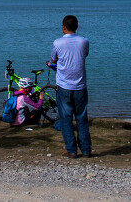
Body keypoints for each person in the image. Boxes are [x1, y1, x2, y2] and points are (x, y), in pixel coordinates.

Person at [50, 14, 92, 158]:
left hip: (64, 86)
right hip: (80, 86)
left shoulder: (57, 43)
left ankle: (71, 149)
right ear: (77, 27)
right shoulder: (84, 41)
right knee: (81, 118)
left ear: (63, 27)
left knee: (66, 119)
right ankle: (86, 149)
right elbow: (84, 55)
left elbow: (53, 59)